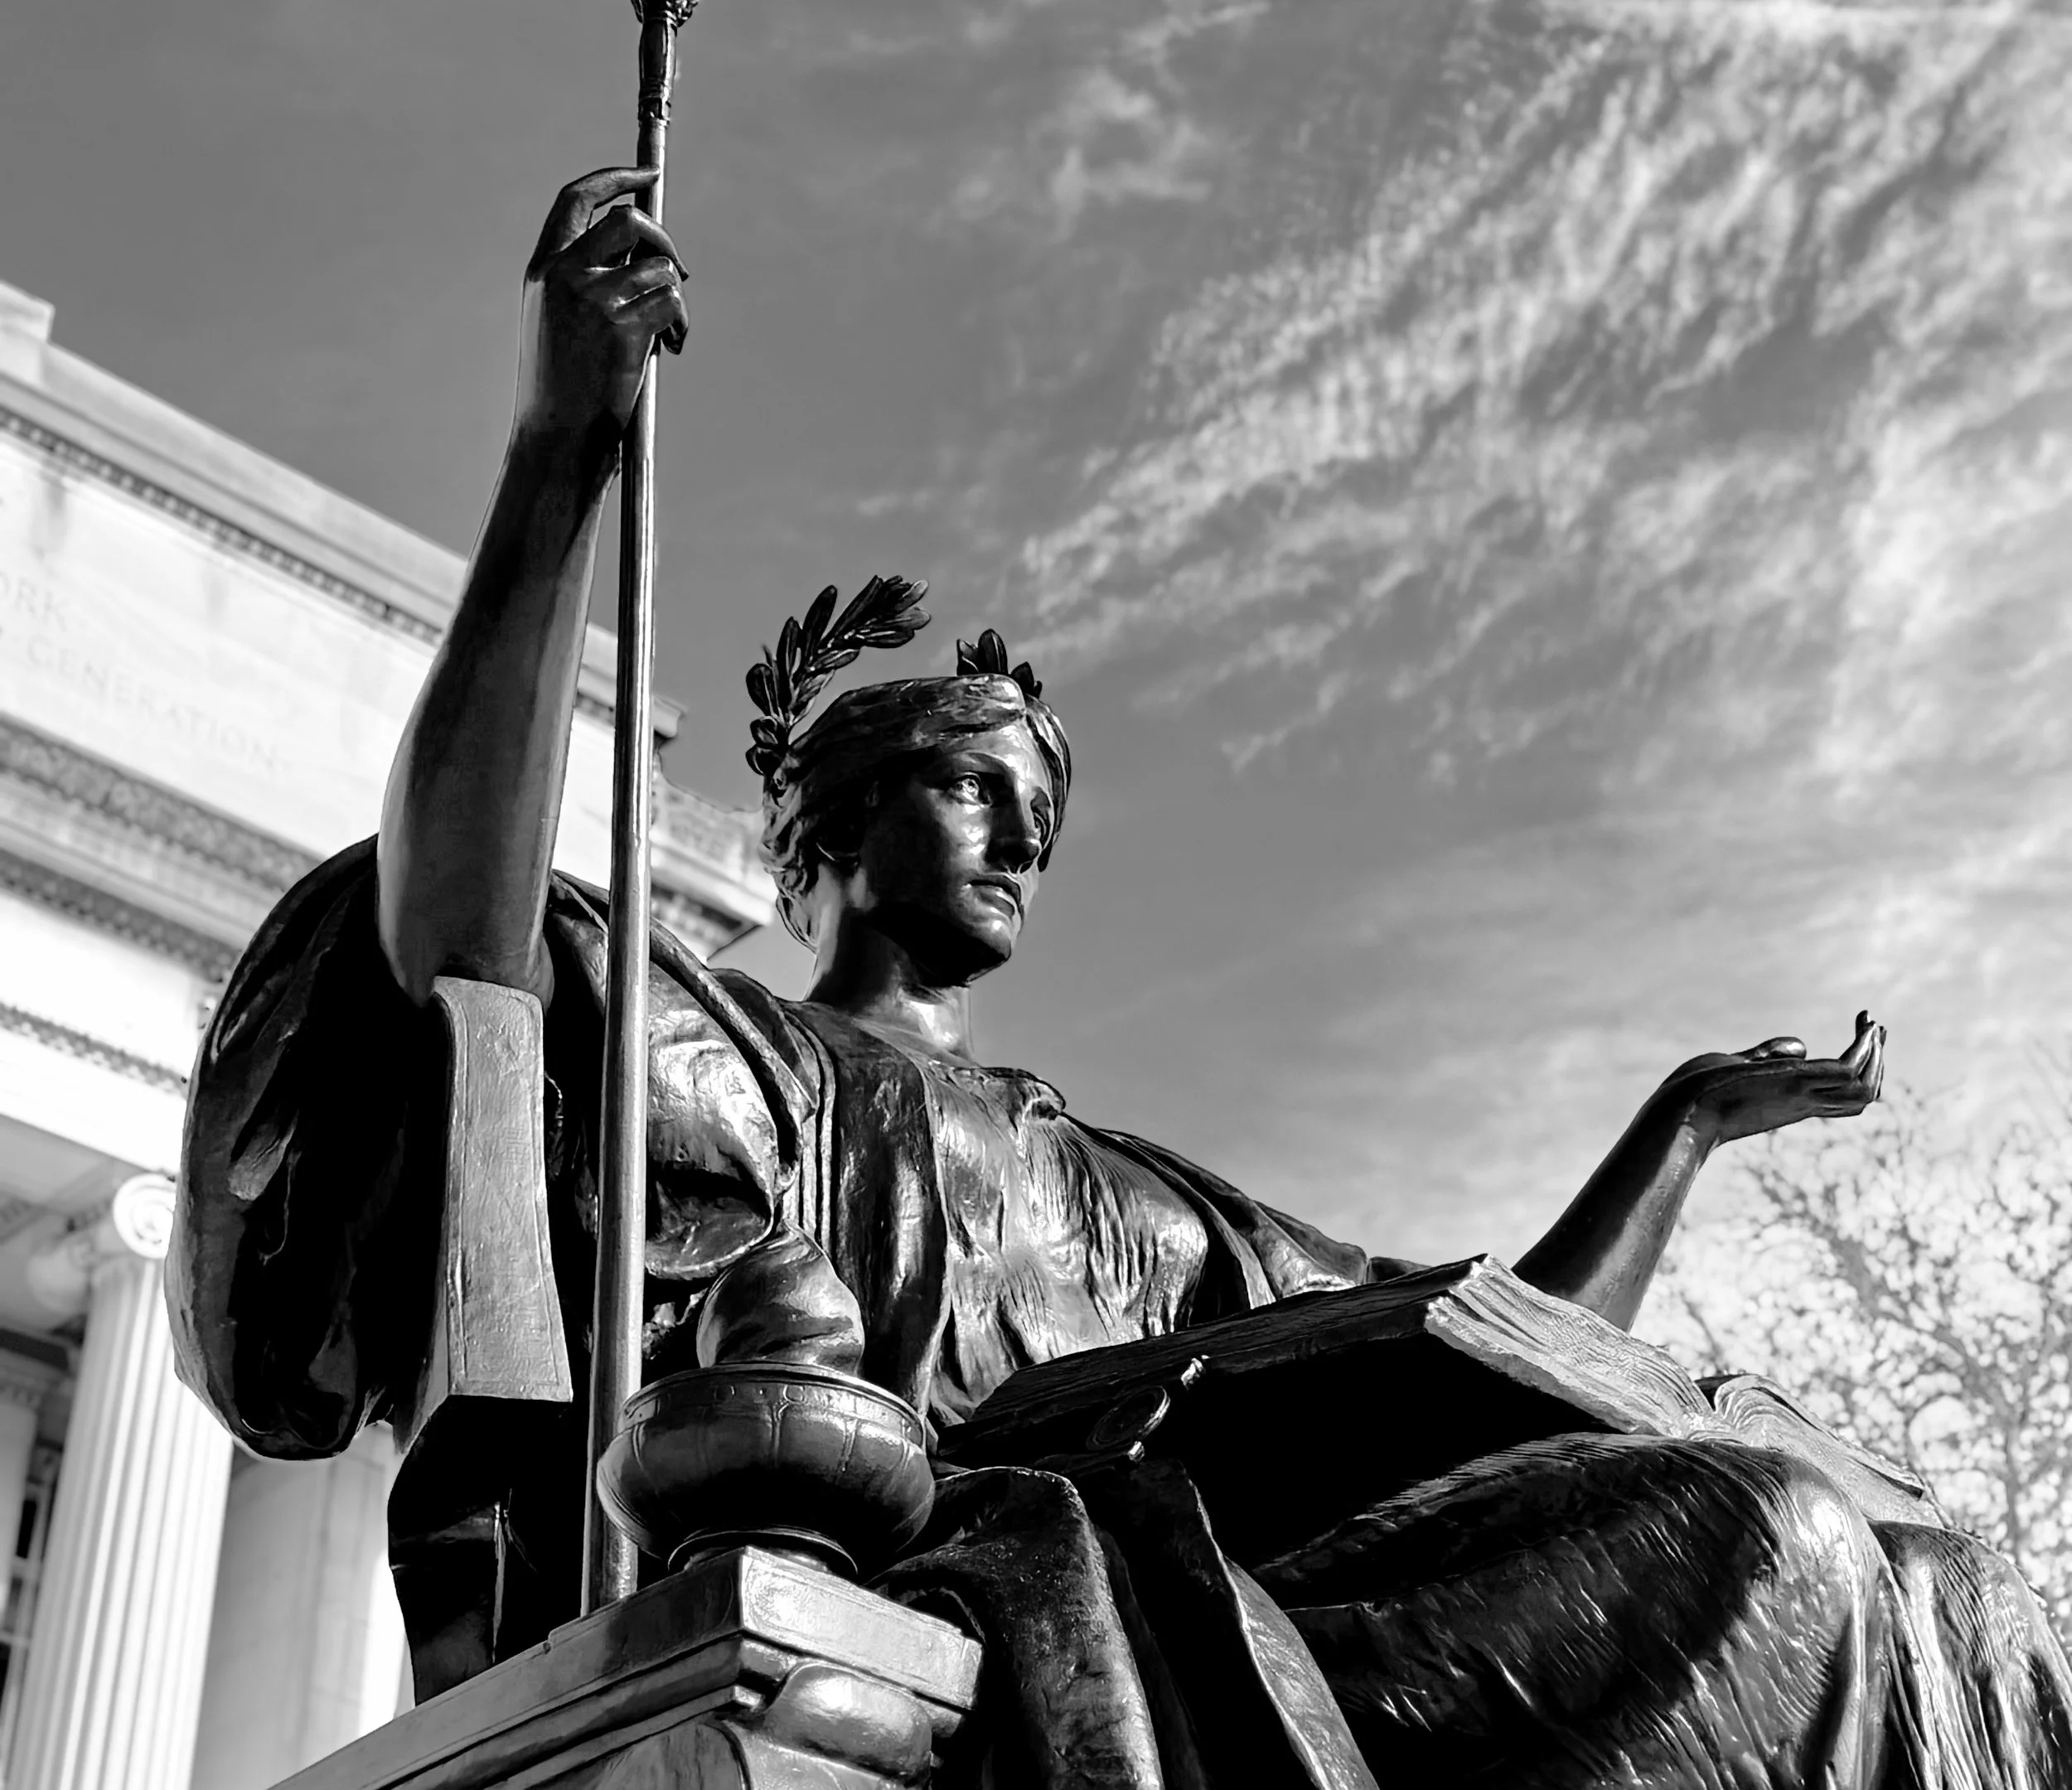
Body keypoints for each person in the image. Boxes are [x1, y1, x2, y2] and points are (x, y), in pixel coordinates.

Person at [170, 172, 2072, 1788]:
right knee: (1774, 1544)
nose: (1015, 842)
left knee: (1951, 1595)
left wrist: (1672, 1131)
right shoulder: (712, 1044)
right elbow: (458, 963)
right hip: (973, 1587)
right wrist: (558, 460)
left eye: (1038, 820)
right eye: (973, 787)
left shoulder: (1144, 1198)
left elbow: (1511, 1366)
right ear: (825, 821)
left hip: (1258, 1613)